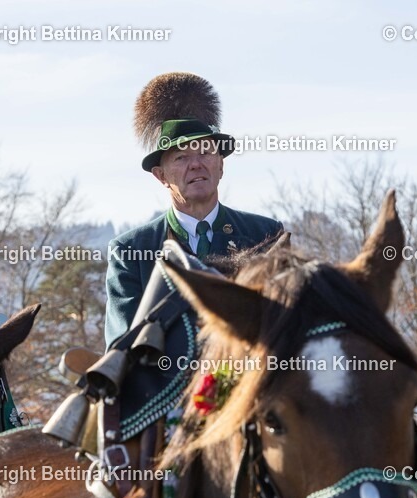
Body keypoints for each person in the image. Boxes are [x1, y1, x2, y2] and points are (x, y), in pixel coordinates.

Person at [105, 72, 283, 347]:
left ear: (220, 165)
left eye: (205, 153)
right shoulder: (130, 251)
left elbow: (287, 328)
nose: (196, 164)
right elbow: (122, 349)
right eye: (181, 157)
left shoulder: (268, 236)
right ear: (160, 175)